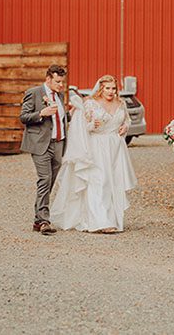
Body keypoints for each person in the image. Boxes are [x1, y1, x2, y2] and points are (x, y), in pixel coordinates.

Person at [51, 75, 137, 233]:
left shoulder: (121, 103)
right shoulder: (91, 104)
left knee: (114, 183)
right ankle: (100, 221)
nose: (111, 92)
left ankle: (113, 219)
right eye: (107, 88)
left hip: (116, 148)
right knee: (99, 182)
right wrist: (91, 126)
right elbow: (79, 126)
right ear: (101, 88)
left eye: (113, 88)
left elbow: (126, 120)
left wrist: (125, 127)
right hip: (96, 147)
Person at [20, 64, 68, 235]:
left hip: (58, 144)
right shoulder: (34, 93)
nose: (61, 85)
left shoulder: (60, 95)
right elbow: (23, 117)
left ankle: (37, 220)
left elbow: (63, 119)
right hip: (40, 144)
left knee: (50, 182)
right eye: (57, 81)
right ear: (48, 79)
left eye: (62, 81)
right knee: (45, 179)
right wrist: (42, 113)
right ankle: (44, 221)